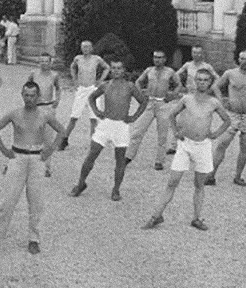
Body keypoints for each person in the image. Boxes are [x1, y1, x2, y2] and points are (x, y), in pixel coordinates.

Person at [0, 81, 65, 256]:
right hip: (17, 157)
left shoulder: (45, 114)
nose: (29, 99)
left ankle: (34, 239)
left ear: (38, 96)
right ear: (22, 95)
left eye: (33, 95)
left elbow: (61, 131)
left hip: (37, 158)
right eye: (26, 95)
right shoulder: (14, 113)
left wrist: (49, 151)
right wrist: (4, 151)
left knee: (36, 202)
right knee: (8, 200)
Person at [140, 70, 230, 232]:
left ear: (210, 83)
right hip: (185, 145)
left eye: (205, 80)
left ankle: (196, 218)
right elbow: (172, 115)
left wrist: (215, 134)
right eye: (199, 80)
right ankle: (156, 216)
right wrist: (176, 132)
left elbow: (227, 120)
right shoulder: (187, 99)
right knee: (172, 181)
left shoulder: (213, 102)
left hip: (202, 146)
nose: (202, 83)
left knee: (199, 184)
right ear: (195, 81)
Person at [71, 60, 147, 201]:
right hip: (106, 125)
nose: (116, 71)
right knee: (91, 155)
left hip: (121, 126)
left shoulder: (130, 86)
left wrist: (134, 116)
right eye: (113, 68)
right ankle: (80, 183)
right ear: (110, 69)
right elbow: (91, 97)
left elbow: (143, 101)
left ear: (124, 70)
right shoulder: (105, 85)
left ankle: (116, 190)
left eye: (119, 68)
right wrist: (97, 111)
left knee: (120, 160)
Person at [208, 50, 246, 187]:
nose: (244, 61)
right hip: (232, 115)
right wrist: (221, 100)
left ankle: (238, 176)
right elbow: (216, 86)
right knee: (222, 144)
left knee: (245, 145)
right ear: (238, 59)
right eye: (242, 58)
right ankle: (211, 175)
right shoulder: (230, 73)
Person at [125, 50, 181, 170]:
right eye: (155, 57)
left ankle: (159, 161)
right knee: (137, 131)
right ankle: (128, 156)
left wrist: (171, 96)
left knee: (162, 135)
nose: (157, 60)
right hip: (149, 103)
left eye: (160, 58)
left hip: (163, 104)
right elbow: (138, 82)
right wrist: (141, 94)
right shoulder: (149, 70)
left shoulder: (170, 71)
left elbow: (178, 85)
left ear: (165, 59)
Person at [60, 41, 111, 150]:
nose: (85, 49)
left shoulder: (96, 59)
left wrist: (101, 80)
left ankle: (93, 142)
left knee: (94, 118)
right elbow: (72, 67)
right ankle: (64, 139)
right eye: (83, 47)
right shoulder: (78, 58)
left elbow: (107, 67)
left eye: (88, 47)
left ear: (92, 48)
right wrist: (74, 79)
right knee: (74, 116)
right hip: (81, 89)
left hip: (93, 89)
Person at [28, 52, 61, 177]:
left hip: (48, 108)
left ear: (50, 62)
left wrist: (57, 100)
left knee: (47, 139)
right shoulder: (33, 74)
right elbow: (27, 87)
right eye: (41, 61)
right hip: (35, 107)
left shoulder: (54, 75)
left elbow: (58, 88)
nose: (44, 63)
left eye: (46, 61)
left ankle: (47, 166)